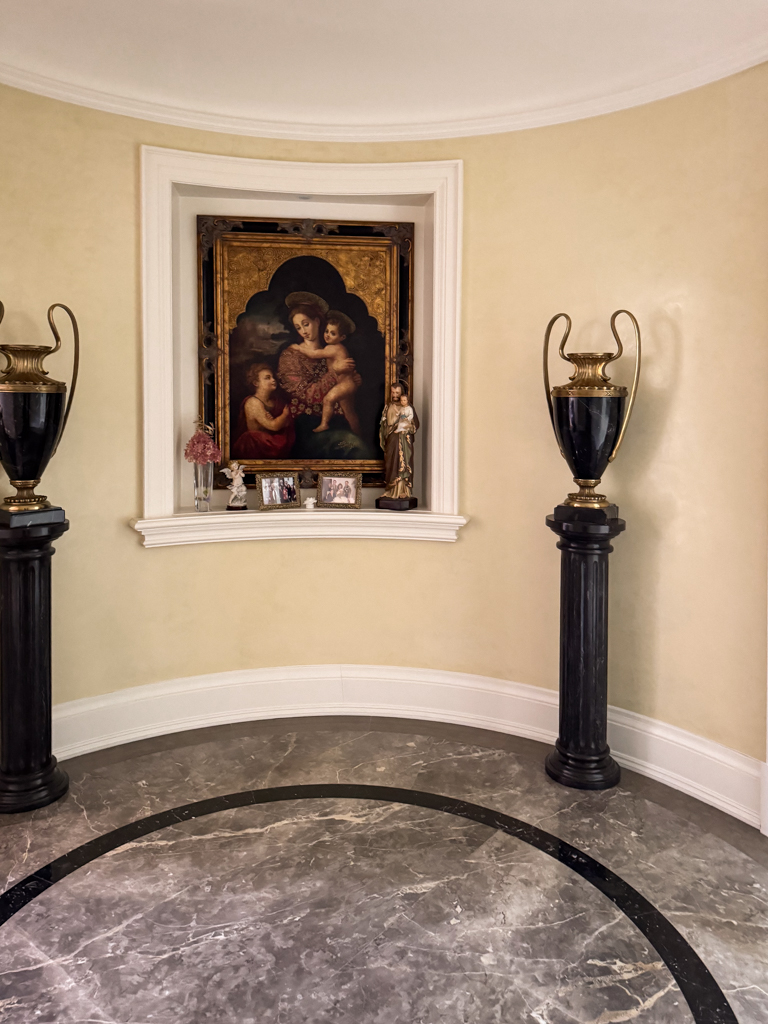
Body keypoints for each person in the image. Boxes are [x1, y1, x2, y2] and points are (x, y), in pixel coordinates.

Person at [293, 311, 360, 435]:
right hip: (346, 384)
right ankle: (357, 434)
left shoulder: (333, 348)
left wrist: (299, 348)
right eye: (326, 331)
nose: (327, 335)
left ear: (342, 338)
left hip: (344, 384)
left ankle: (324, 424)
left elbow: (314, 354)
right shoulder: (337, 347)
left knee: (328, 400)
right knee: (349, 411)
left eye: (333, 333)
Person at [232, 363, 294, 460]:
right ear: (256, 383)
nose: (273, 380)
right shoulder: (253, 403)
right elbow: (274, 426)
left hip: (271, 443)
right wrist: (284, 415)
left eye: (273, 377)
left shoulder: (275, 401)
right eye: (267, 378)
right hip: (258, 445)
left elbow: (286, 424)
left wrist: (280, 420)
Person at [379, 383, 419, 499]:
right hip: (392, 439)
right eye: (393, 392)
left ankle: (404, 490)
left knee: (404, 462)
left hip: (404, 439)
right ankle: (391, 491)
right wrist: (388, 428)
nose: (395, 395)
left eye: (397, 393)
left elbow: (415, 423)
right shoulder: (388, 406)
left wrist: (407, 425)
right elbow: (384, 425)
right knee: (391, 462)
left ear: (402, 393)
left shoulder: (408, 407)